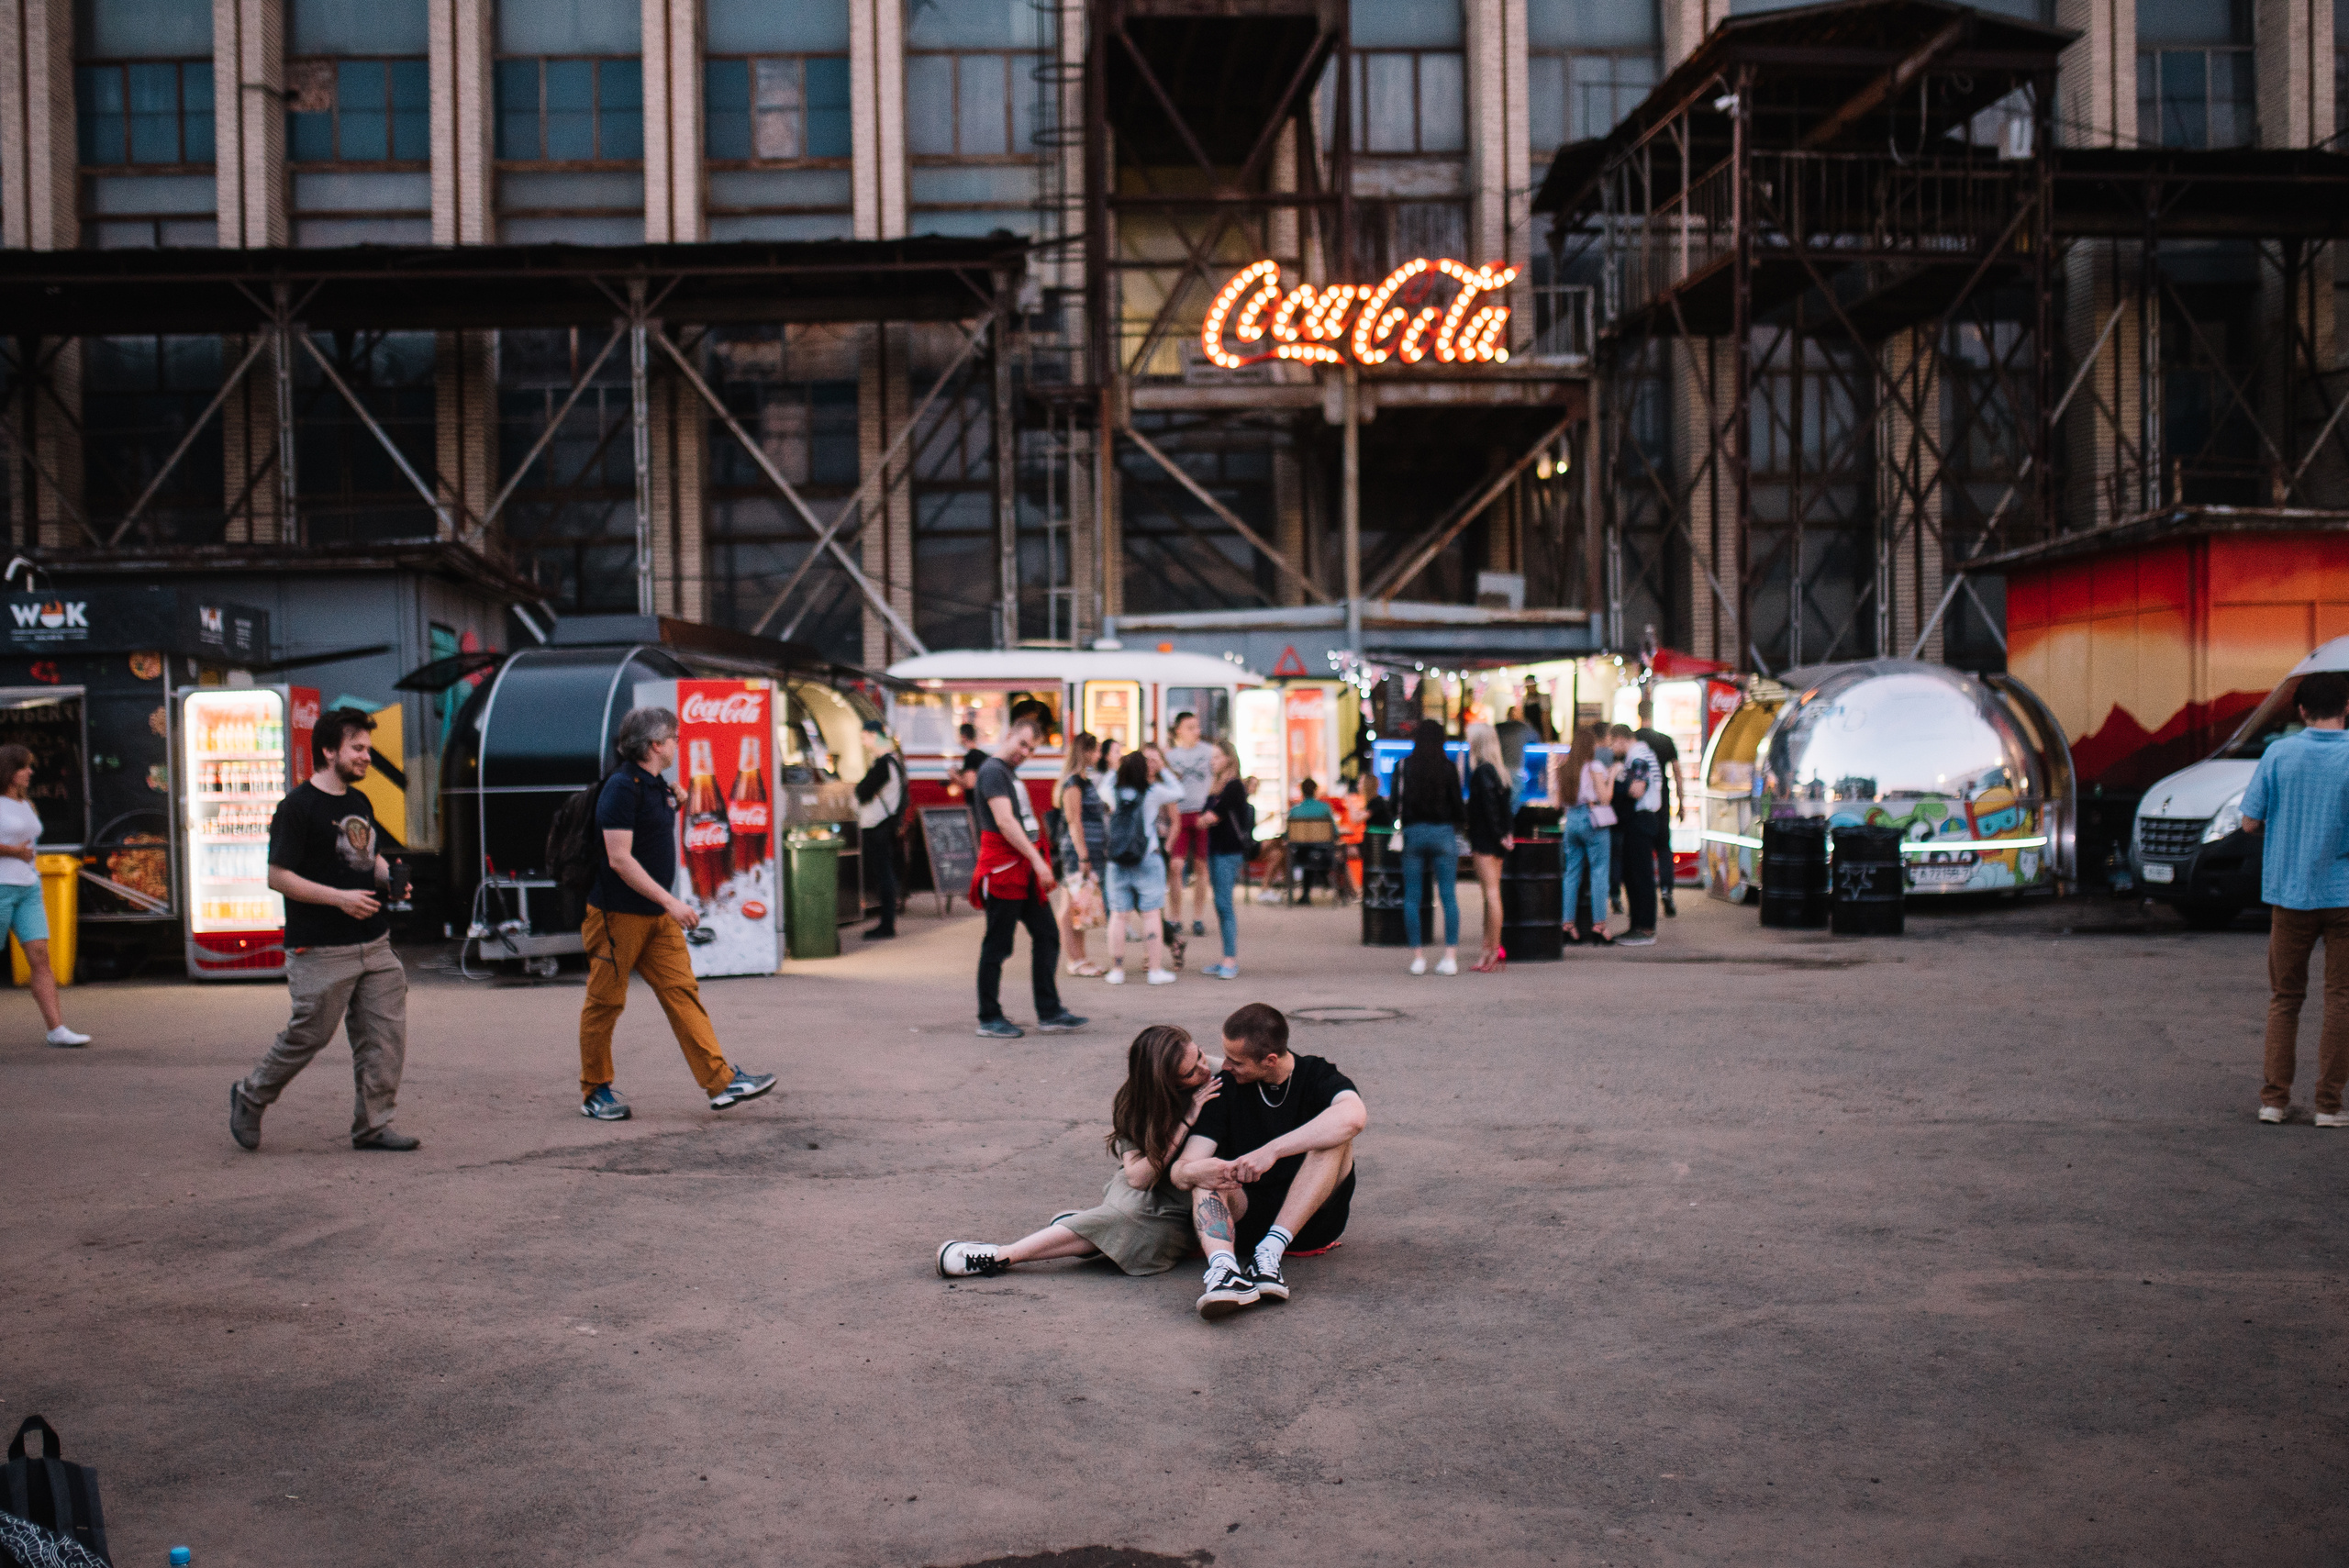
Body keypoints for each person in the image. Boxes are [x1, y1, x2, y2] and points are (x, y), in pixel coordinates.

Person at [573, 706, 777, 1121]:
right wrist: (672, 902)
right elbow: (619, 859)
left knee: (682, 992)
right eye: (674, 738)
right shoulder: (621, 788)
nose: (678, 744)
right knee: (605, 1003)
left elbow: (651, 836)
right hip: (617, 916)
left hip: (656, 917)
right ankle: (594, 1091)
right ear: (654, 745)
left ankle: (720, 1081)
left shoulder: (655, 786)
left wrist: (676, 802)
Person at [228, 708, 413, 1151]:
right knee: (309, 1034)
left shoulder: (358, 802)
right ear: (329, 751)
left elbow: (367, 855)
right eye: (358, 748)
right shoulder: (296, 807)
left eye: (368, 748)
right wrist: (339, 898)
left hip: (374, 943)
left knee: (384, 1039)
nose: (367, 756)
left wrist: (389, 876)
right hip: (321, 947)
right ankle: (251, 1097)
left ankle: (372, 1126)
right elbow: (278, 877)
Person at [936, 1024, 1220, 1278]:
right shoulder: (1135, 1102)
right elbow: (1138, 1178)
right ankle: (1000, 1256)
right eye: (1190, 1073)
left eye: (1199, 1055)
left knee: (1139, 1229)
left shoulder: (1218, 1073)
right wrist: (1185, 1122)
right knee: (1126, 1212)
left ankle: (1064, 1236)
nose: (1204, 1069)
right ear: (1163, 1082)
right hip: (1147, 1183)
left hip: (1185, 1199)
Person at [1174, 1002, 1368, 1319]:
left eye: (1236, 1061)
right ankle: (1225, 1272)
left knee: (1336, 1138)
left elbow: (1354, 1117)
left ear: (1270, 1060)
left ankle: (1269, 1254)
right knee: (1204, 1174)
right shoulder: (1225, 1087)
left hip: (1312, 1224)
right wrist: (1197, 1171)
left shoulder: (1315, 1074)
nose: (1225, 1066)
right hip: (1246, 1219)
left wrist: (1272, 1151)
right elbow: (1182, 1170)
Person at [2242, 670, 2349, 1128]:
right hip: (2345, 897)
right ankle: (2329, 1106)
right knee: (2341, 999)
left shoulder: (2278, 754)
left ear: (2302, 711)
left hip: (2289, 894)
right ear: (2347, 708)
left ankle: (2274, 1101)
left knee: (2285, 998)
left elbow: (2249, 822)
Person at [973, 717, 1090, 1039]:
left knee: (1047, 934)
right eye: (1022, 744)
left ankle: (1049, 1011)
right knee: (998, 945)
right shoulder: (993, 771)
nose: (1025, 752)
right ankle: (989, 1017)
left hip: (1019, 870)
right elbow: (1005, 822)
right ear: (1008, 735)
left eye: (1031, 749)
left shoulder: (1004, 772)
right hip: (1005, 870)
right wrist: (1039, 861)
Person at [0, 746, 88, 1047]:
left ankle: (57, 1029)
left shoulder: (25, 803)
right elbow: (18, 847)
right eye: (24, 767)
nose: (30, 772)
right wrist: (14, 851)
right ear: (9, 771)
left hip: (29, 888)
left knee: (40, 956)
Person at [1102, 750, 1184, 985]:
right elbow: (1179, 792)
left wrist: (1116, 768)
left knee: (1118, 916)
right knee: (1151, 915)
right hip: (1147, 858)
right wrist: (1163, 769)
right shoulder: (1153, 792)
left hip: (1117, 861)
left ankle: (1117, 970)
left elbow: (1103, 785)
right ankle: (1155, 971)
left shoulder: (1112, 792)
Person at [1395, 719, 1464, 976]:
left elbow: (1395, 803)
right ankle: (1450, 957)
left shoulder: (1404, 766)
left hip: (1413, 833)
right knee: (1448, 896)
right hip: (1443, 833)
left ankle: (1418, 958)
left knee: (1412, 897)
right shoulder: (1448, 767)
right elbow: (1458, 805)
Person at [1549, 723, 1617, 946]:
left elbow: (1556, 803)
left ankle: (1568, 925)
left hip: (1571, 821)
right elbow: (1605, 798)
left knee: (1571, 873)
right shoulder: (1594, 767)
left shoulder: (1565, 768)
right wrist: (1612, 776)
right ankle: (1599, 926)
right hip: (1592, 819)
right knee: (1599, 872)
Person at [1053, 731, 1107, 977]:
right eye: (1095, 750)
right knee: (1070, 907)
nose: (1098, 755)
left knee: (1079, 905)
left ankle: (1081, 958)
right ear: (1085, 752)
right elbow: (1074, 821)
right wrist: (1084, 855)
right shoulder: (1074, 783)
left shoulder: (1083, 780)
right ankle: (1075, 959)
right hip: (1077, 851)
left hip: (1085, 850)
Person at [1199, 740, 1252, 980]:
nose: (1213, 761)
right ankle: (1225, 957)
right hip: (1215, 850)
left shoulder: (1234, 786)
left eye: (1217, 757)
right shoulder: (1216, 786)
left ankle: (1230, 959)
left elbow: (1212, 817)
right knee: (1220, 904)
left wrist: (1204, 819)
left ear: (1229, 759)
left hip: (1228, 851)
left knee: (1224, 904)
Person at [1161, 712, 1217, 939]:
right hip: (1179, 814)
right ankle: (1175, 916)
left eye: (1197, 727)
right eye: (1190, 727)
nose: (1196, 731)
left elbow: (1217, 777)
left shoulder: (1209, 752)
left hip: (1201, 813)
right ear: (1179, 731)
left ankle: (1198, 917)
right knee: (1176, 866)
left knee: (1202, 867)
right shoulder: (1171, 757)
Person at [1464, 722, 1514, 973]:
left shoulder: (1481, 772)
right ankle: (1491, 949)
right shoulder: (1499, 772)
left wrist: (1497, 835)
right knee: (1492, 894)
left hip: (1485, 839)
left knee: (1491, 895)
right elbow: (1504, 808)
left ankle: (1492, 949)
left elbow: (1487, 808)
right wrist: (1506, 834)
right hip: (1497, 839)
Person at [854, 718, 907, 940]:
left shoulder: (883, 764)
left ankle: (886, 925)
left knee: (883, 874)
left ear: (874, 735)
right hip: (887, 824)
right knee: (887, 873)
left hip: (877, 825)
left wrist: (864, 791)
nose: (863, 742)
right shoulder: (895, 762)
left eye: (864, 737)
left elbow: (862, 791)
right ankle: (887, 922)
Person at [1610, 722, 1661, 947]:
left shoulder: (1638, 756)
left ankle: (1645, 928)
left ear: (1621, 739)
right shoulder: (1644, 753)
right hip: (1644, 819)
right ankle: (1638, 925)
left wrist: (1617, 777)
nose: (1612, 749)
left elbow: (1637, 789)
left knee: (1640, 875)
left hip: (1640, 819)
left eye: (1613, 743)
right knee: (1635, 874)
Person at [1633, 698, 1684, 917]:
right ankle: (1666, 891)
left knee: (1642, 850)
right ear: (1653, 714)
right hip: (1663, 801)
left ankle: (1639, 896)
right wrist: (1682, 802)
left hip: (1640, 804)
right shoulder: (1665, 740)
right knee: (1664, 848)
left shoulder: (1634, 739)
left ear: (1638, 714)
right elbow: (1677, 773)